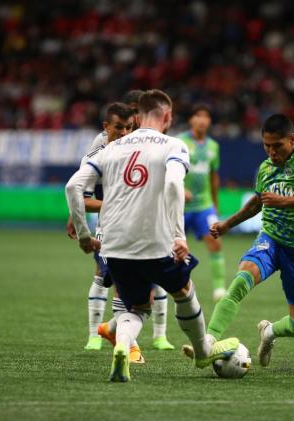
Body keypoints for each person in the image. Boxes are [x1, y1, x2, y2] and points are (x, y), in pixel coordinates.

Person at [65, 89, 239, 382]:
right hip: (154, 243)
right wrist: (179, 235)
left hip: (114, 245)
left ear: (137, 116)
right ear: (168, 116)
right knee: (184, 291)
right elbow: (173, 184)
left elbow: (73, 188)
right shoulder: (174, 145)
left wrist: (84, 236)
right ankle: (202, 351)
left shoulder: (111, 147)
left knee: (138, 306)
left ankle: (122, 346)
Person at [183, 113, 294, 367]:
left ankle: (269, 332)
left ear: (292, 139)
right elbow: (257, 202)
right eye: (267, 146)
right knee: (242, 278)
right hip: (271, 239)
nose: (272, 152)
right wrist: (227, 224)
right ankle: (207, 342)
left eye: (277, 146)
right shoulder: (265, 168)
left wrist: (284, 201)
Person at [94, 90, 176, 352]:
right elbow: (80, 187)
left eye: (133, 120)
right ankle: (125, 345)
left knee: (145, 287)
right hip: (115, 226)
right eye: (125, 121)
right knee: (119, 284)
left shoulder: (153, 142)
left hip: (147, 225)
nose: (133, 123)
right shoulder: (104, 144)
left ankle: (130, 335)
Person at [65, 102, 143, 358]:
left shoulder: (139, 150)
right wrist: (78, 220)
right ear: (106, 127)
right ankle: (121, 344)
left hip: (141, 227)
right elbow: (79, 194)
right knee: (111, 279)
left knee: (145, 291)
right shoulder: (97, 155)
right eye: (118, 127)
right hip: (109, 228)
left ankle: (115, 334)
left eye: (128, 128)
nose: (123, 133)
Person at [177, 104, 226, 302]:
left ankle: (220, 288)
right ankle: (161, 287)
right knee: (171, 250)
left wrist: (215, 204)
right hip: (179, 207)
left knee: (215, 241)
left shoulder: (214, 146)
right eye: (198, 115)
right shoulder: (179, 142)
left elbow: (214, 177)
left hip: (204, 206)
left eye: (206, 116)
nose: (202, 120)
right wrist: (180, 188)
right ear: (191, 120)